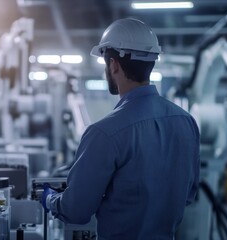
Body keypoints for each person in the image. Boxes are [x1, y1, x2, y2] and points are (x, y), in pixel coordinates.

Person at [41, 18, 200, 240]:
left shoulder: (104, 133)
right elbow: (188, 194)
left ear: (114, 64)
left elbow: (76, 210)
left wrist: (49, 199)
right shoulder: (186, 122)